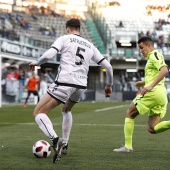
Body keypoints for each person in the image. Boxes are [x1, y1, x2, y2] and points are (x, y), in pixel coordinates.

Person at [28, 18, 113, 163]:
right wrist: (109, 85)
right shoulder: (90, 45)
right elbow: (108, 66)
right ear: (79, 29)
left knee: (38, 112)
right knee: (66, 110)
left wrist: (37, 62)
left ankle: (56, 141)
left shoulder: (64, 38)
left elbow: (49, 55)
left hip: (64, 82)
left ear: (67, 28)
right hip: (80, 85)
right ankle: (65, 142)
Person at [113, 36, 170, 152]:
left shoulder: (154, 55)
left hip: (153, 92)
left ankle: (128, 147)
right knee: (152, 128)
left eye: (141, 47)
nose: (141, 51)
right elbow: (156, 74)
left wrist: (150, 86)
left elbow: (164, 70)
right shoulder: (152, 58)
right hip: (161, 95)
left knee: (129, 113)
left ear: (149, 45)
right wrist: (144, 82)